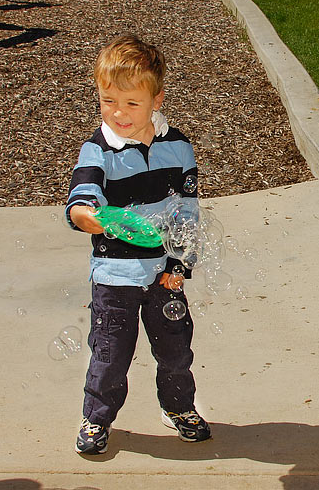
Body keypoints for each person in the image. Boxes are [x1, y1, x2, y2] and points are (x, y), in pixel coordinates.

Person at [65, 35, 211, 455]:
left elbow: (187, 211)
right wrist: (86, 216)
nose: (118, 113)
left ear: (156, 99)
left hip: (164, 274)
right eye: (108, 100)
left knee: (176, 349)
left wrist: (180, 263)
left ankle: (179, 407)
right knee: (110, 353)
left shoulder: (178, 147)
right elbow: (83, 196)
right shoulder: (98, 150)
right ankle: (96, 417)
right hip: (115, 275)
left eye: (131, 103)